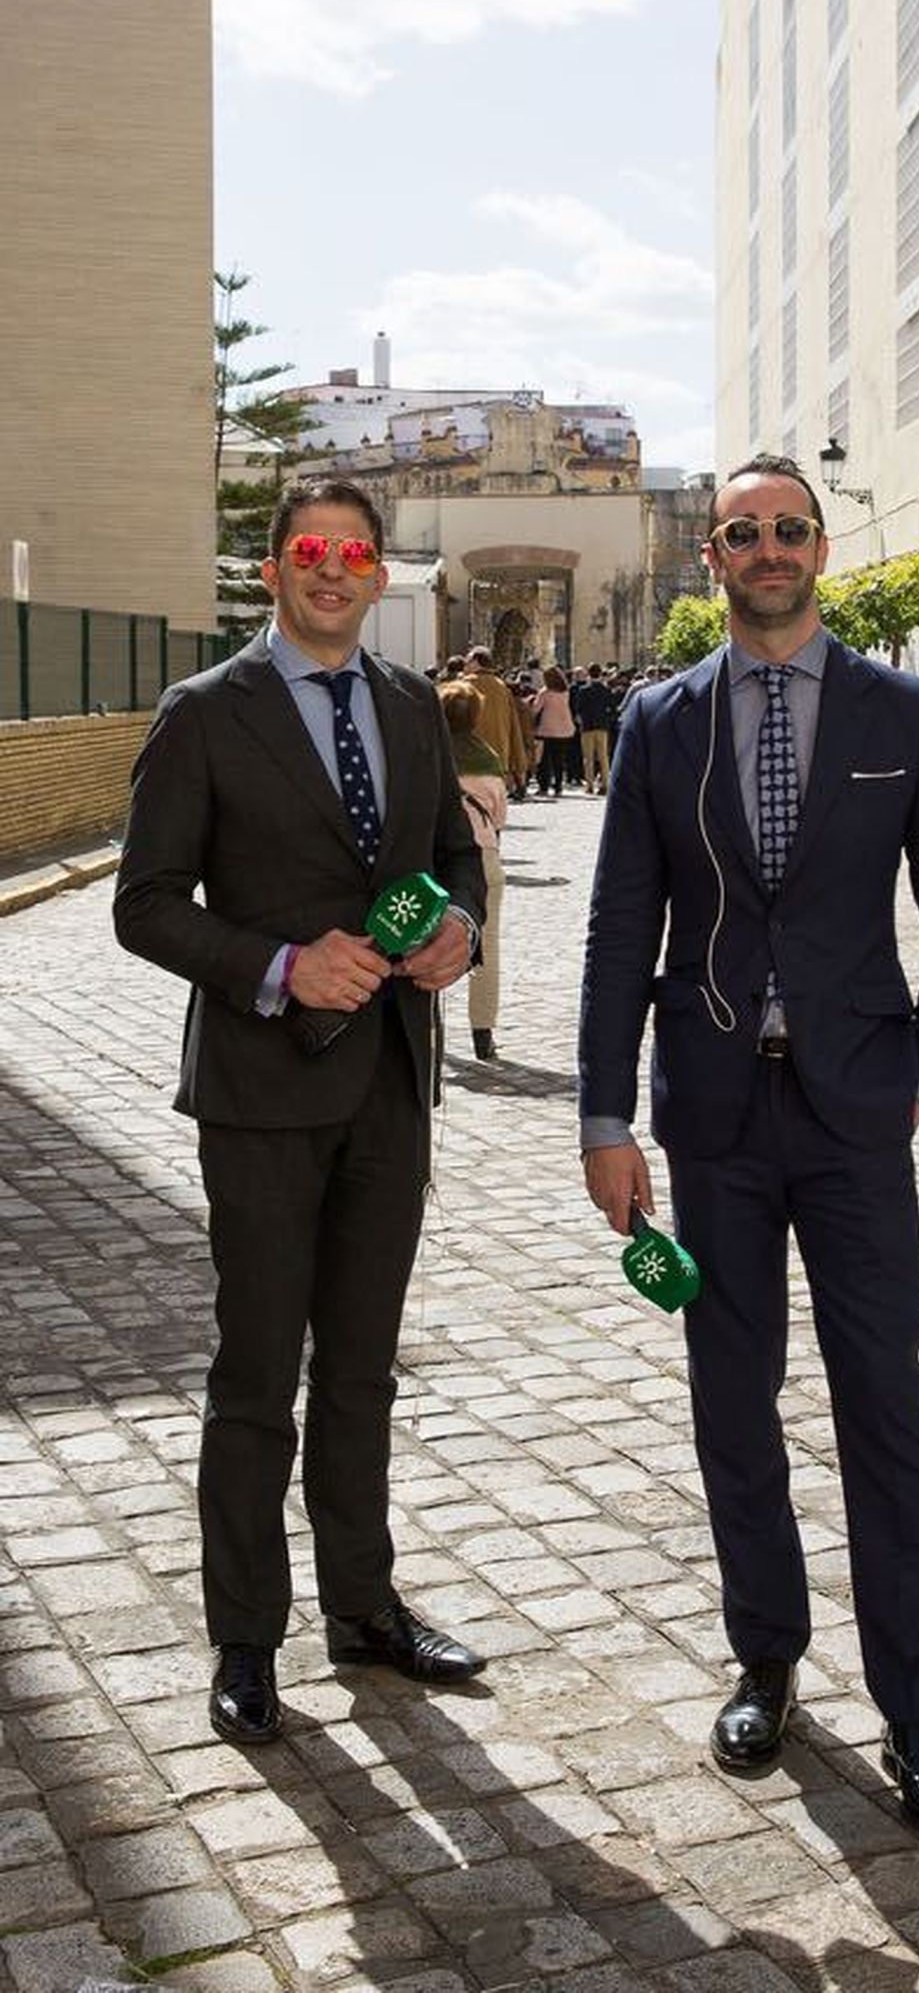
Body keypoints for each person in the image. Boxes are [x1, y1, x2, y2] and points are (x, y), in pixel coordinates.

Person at [578, 454, 919, 1833]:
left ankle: (917, 1708)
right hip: (713, 1117)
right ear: (714, 555)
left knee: (887, 1400)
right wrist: (604, 1112)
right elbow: (616, 929)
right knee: (730, 1394)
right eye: (743, 530)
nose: (768, 547)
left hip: (857, 1116)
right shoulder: (661, 720)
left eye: (789, 528)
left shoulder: (900, 711)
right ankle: (767, 1653)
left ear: (822, 547)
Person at [113, 478, 489, 1747]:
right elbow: (147, 901)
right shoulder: (205, 713)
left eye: (355, 553)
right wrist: (278, 968)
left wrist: (457, 924)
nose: (333, 570)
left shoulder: (407, 705)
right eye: (309, 551)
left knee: (366, 1370)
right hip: (264, 1090)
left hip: (390, 1077)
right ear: (273, 570)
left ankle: (364, 1604)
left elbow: (448, 852)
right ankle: (245, 1636)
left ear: (382, 574)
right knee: (258, 1368)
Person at [439, 679, 508, 1063]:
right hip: (483, 857)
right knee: (487, 946)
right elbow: (499, 817)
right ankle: (483, 1033)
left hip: (434, 861)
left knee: (420, 945)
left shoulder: (427, 755)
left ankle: (430, 1038)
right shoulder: (488, 760)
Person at [460, 647, 529, 798]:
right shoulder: (501, 686)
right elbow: (513, 725)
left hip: (470, 752)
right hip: (499, 754)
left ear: (476, 662)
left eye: (468, 660)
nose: (465, 664)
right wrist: (517, 761)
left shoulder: (464, 685)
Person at [531, 665, 577, 796]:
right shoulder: (565, 692)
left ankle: (543, 786)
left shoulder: (545, 692)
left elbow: (535, 709)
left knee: (544, 760)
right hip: (564, 729)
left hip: (547, 729)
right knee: (558, 760)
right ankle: (558, 786)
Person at [572, 663, 615, 795]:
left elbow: (578, 709)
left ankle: (589, 785)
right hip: (602, 726)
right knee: (603, 756)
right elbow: (612, 708)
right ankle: (605, 784)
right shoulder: (606, 690)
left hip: (587, 726)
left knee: (588, 757)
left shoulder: (583, 690)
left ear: (589, 674)